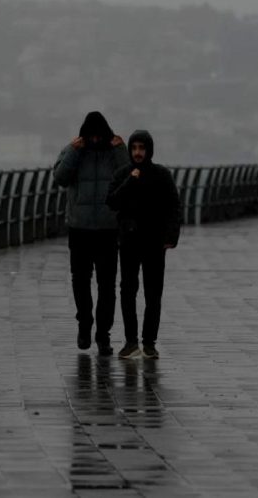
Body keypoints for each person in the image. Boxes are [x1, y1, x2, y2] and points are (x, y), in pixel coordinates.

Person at [54, 111, 129, 356]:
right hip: (79, 228)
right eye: (92, 135)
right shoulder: (74, 150)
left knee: (107, 285)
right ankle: (84, 325)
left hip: (108, 229)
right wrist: (74, 151)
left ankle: (103, 334)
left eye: (100, 135)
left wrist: (120, 150)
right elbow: (61, 178)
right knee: (81, 281)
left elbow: (130, 177)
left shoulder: (114, 152)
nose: (96, 140)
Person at [106, 130, 181, 359]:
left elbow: (173, 207)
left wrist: (171, 237)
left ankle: (149, 342)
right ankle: (131, 342)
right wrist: (131, 180)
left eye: (142, 148)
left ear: (149, 150)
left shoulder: (161, 175)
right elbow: (112, 201)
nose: (138, 153)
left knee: (153, 293)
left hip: (155, 242)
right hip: (129, 241)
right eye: (134, 148)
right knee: (128, 291)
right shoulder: (123, 174)